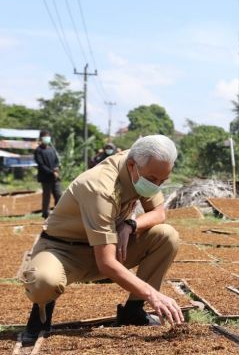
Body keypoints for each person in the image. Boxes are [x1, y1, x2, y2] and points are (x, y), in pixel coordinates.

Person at [20, 135, 184, 345]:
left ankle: (133, 311)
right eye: (153, 180)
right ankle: (41, 315)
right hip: (64, 251)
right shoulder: (100, 186)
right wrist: (153, 294)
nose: (156, 185)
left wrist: (130, 225)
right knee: (43, 281)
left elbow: (159, 213)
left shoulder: (144, 167)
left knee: (166, 236)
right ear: (132, 165)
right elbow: (106, 264)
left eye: (163, 181)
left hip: (110, 246)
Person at [33, 130, 62, 219]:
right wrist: (51, 172)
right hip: (45, 177)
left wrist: (56, 169)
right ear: (41, 138)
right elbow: (41, 164)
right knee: (47, 196)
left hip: (55, 177)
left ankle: (59, 213)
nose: (47, 138)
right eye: (45, 137)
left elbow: (57, 161)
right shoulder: (38, 150)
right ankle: (45, 213)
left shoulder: (52, 149)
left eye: (48, 136)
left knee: (58, 194)